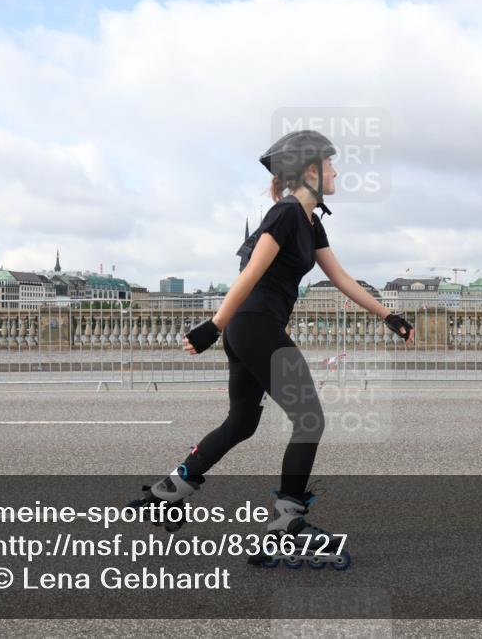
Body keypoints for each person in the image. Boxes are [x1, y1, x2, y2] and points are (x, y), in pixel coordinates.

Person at [129, 130, 414, 569]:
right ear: (311, 171)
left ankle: (171, 491)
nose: (337, 172)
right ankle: (288, 526)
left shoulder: (310, 220)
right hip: (254, 324)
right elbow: (250, 274)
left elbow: (341, 278)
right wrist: (213, 324)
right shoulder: (284, 214)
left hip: (250, 329)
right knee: (309, 417)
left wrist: (387, 315)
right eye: (331, 165)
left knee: (242, 421)